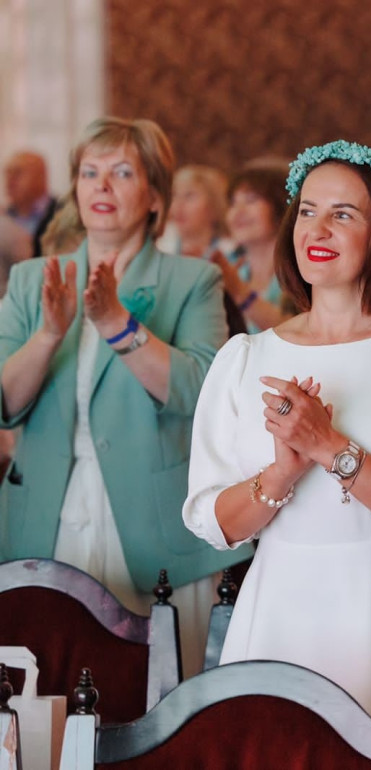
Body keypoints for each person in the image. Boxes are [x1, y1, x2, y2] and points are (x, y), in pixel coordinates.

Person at [182, 140, 371, 769]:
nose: (317, 230)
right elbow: (215, 524)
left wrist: (329, 446)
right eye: (307, 211)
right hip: (280, 606)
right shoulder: (245, 357)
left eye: (343, 214)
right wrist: (282, 471)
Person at [0, 117, 240, 674]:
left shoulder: (192, 281)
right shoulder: (33, 279)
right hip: (44, 519)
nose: (102, 186)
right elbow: (5, 404)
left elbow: (201, 392)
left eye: (123, 172)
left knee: (156, 692)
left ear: (155, 196)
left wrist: (116, 324)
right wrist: (48, 336)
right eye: (90, 172)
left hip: (154, 526)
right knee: (42, 691)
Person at [211, 163, 292, 332]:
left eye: (251, 200)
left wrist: (240, 293)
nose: (238, 212)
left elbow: (299, 332)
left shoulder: (301, 274)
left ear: (281, 206)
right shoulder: (229, 268)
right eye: (232, 203)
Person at [157, 165, 232, 259]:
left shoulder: (231, 252)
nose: (178, 205)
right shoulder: (156, 245)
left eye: (189, 196)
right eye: (174, 195)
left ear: (214, 205)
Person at [3, 150, 57, 256]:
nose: (9, 181)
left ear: (41, 176)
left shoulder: (65, 214)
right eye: (7, 174)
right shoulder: (4, 219)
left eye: (17, 173)